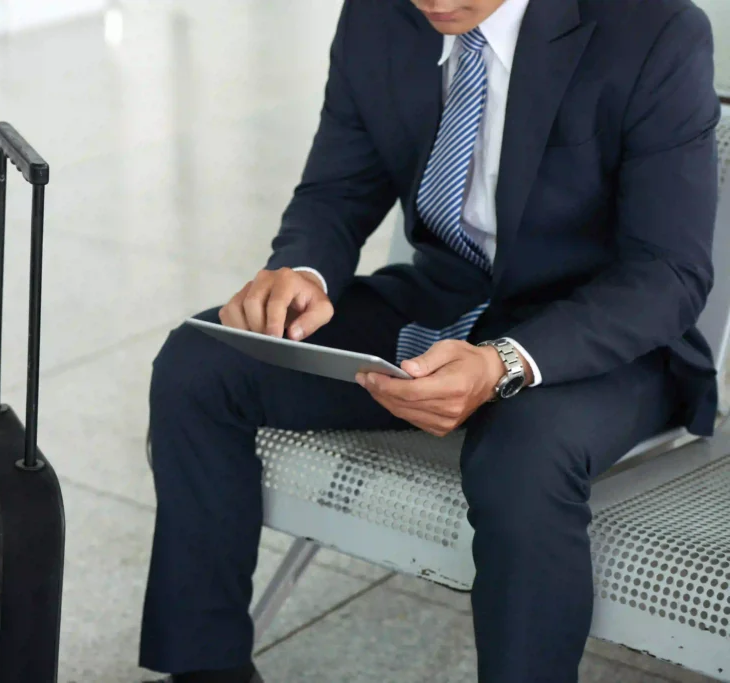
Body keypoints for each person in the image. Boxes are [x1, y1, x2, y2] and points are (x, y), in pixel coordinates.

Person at [139, 0, 721, 680]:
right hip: (448, 298)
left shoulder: (652, 30)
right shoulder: (378, 17)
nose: (435, 1)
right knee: (201, 361)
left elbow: (668, 275)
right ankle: (206, 670)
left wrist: (504, 362)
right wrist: (302, 269)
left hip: (600, 336)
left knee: (522, 454)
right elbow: (338, 189)